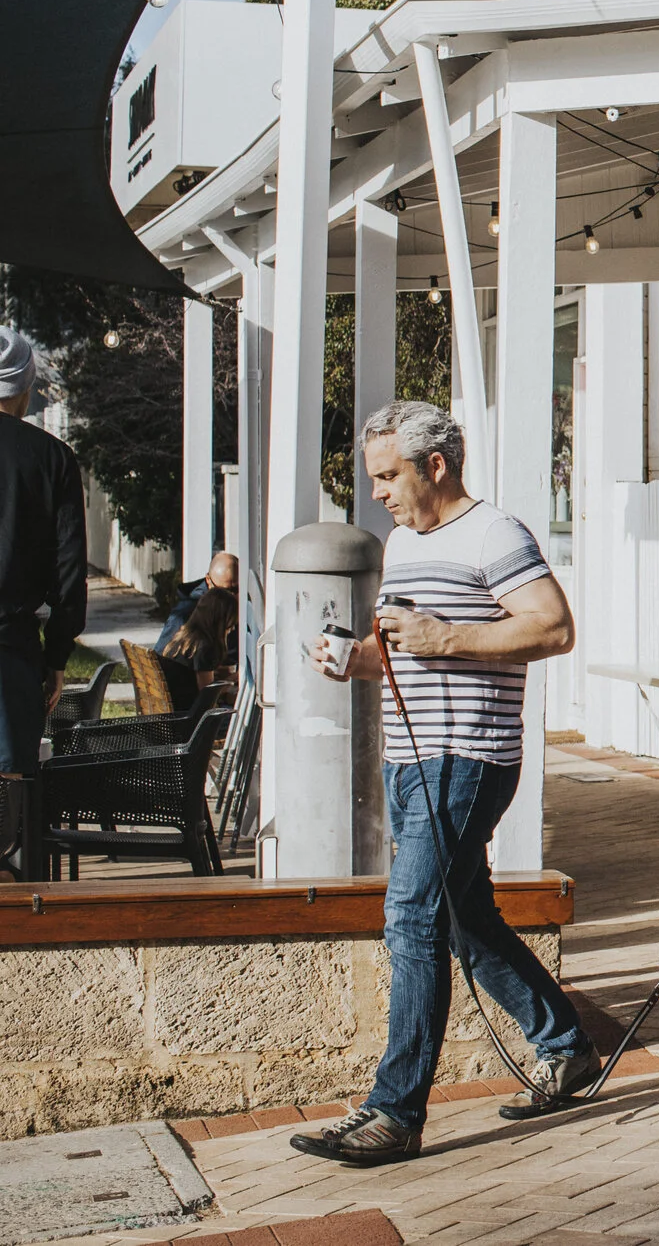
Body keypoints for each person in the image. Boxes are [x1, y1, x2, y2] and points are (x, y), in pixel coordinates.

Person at [289, 401, 592, 1167]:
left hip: (468, 757)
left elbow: (553, 626)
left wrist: (449, 635)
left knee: (411, 915)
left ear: (437, 465)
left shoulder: (496, 533)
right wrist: (353, 657)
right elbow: (405, 649)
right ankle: (566, 1046)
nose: (379, 493)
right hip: (411, 760)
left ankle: (396, 1111)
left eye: (390, 476)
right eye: (374, 478)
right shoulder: (401, 544)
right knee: (465, 920)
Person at [0, 329, 85, 783]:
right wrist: (56, 657)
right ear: (26, 390)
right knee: (12, 786)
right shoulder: (53, 458)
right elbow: (69, 571)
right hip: (11, 647)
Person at [154, 550, 239, 656]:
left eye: (236, 589)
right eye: (223, 592)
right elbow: (161, 657)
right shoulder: (187, 611)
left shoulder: (243, 603)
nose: (231, 597)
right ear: (208, 580)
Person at [159, 582, 237, 675]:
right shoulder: (204, 648)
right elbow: (206, 688)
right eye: (229, 623)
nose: (232, 628)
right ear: (218, 621)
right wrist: (233, 680)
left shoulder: (187, 638)